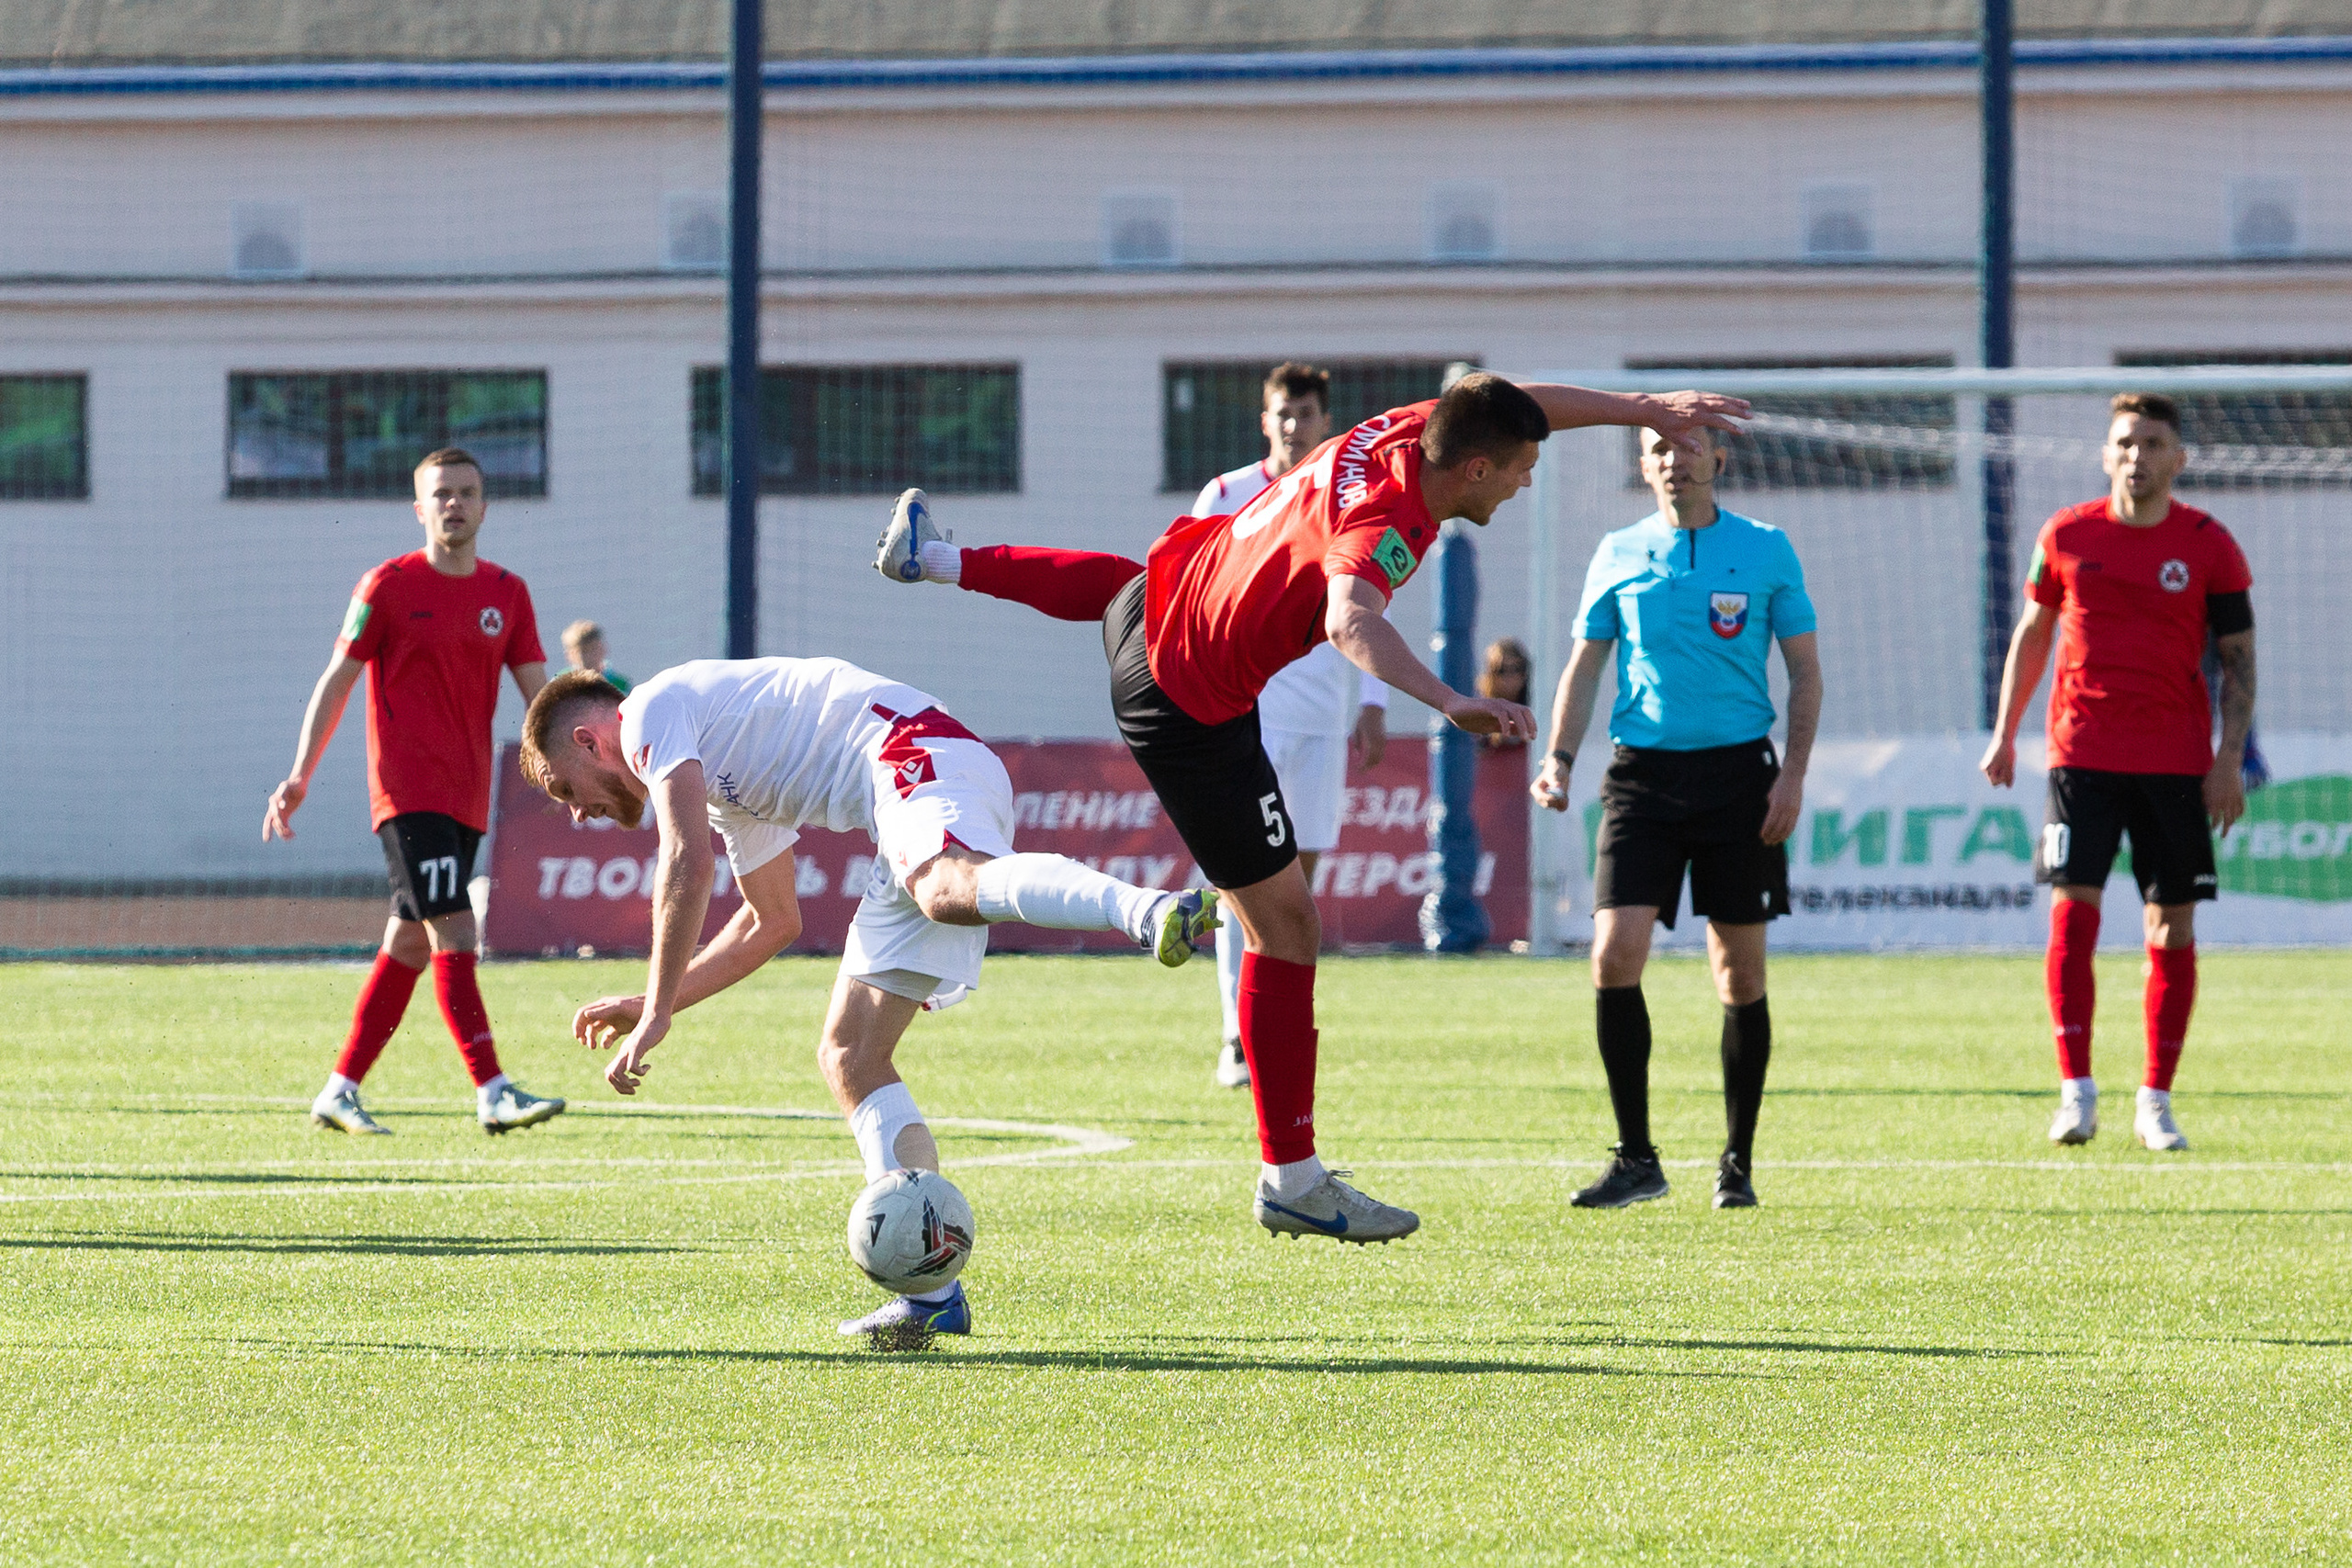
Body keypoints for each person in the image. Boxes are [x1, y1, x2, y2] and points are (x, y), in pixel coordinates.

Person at [876, 372, 1747, 1244]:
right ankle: (1291, 1177)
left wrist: (1645, 410)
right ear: (1476, 468)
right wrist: (1451, 699)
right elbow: (1348, 620)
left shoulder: (1408, 429)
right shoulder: (1391, 522)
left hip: (1160, 606)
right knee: (1287, 926)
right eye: (1521, 468)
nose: (1527, 481)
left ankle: (939, 557)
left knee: (1120, 585)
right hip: (1188, 707)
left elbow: (1512, 400)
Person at [518, 660, 1220, 1346]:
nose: (577, 812)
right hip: (907, 794)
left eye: (564, 788)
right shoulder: (723, 785)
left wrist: (656, 1012)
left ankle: (1148, 909)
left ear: (589, 740)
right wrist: (655, 1000)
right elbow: (770, 921)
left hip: (915, 751)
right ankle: (930, 1300)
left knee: (944, 888)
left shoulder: (647, 711)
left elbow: (685, 862)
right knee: (850, 1054)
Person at [1532, 424, 1821, 1211]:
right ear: (1642, 463)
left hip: (1739, 779)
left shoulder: (1766, 549)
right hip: (1642, 778)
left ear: (1718, 459)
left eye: (1689, 446)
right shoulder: (1617, 551)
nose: (1674, 459)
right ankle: (1636, 1159)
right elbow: (1585, 664)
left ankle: (1737, 1161)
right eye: (1658, 447)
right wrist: (1558, 758)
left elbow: (1804, 671)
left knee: (1740, 971)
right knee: (1612, 955)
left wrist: (1792, 776)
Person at [1979, 392, 2256, 1152]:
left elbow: (2239, 660)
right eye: (2126, 443)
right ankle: (2076, 1092)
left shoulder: (2209, 544)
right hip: (2082, 755)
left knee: (2171, 928)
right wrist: (2004, 732)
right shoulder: (2066, 533)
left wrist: (2229, 757)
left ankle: (2155, 1101)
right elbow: (2033, 634)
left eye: (2153, 443)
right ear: (2107, 455)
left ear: (2179, 459)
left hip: (2175, 764)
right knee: (2073, 914)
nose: (2138, 456)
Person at [264, 447, 564, 1137]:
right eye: (441, 493)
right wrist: (300, 773)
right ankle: (493, 1091)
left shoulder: (507, 593)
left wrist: (575, 768)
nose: (454, 504)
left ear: (485, 506)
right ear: (419, 508)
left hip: (468, 794)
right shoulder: (388, 585)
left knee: (408, 943)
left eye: (467, 492)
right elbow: (338, 680)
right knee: (455, 928)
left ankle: (339, 1089)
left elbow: (540, 697)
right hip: (407, 793)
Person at [1189, 363, 1389, 1090]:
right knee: (1245, 883)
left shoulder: (1349, 495)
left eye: (1306, 413)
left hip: (1321, 718)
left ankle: (1268, 1025)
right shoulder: (1225, 494)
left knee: (1294, 893)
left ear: (1324, 421)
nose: (1294, 425)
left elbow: (1371, 597)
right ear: (1264, 421)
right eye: (1283, 413)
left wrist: (1375, 699)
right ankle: (1237, 1036)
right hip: (1244, 713)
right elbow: (1188, 583)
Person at [1477, 638, 1532, 749]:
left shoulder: (1536, 708)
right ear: (1491, 675)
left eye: (1516, 669)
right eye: (1501, 670)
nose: (1509, 676)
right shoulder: (1478, 711)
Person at [561, 619, 630, 694]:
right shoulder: (562, 683)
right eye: (583, 651)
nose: (589, 656)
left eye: (594, 649)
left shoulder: (619, 684)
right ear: (570, 655)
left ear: (603, 649)